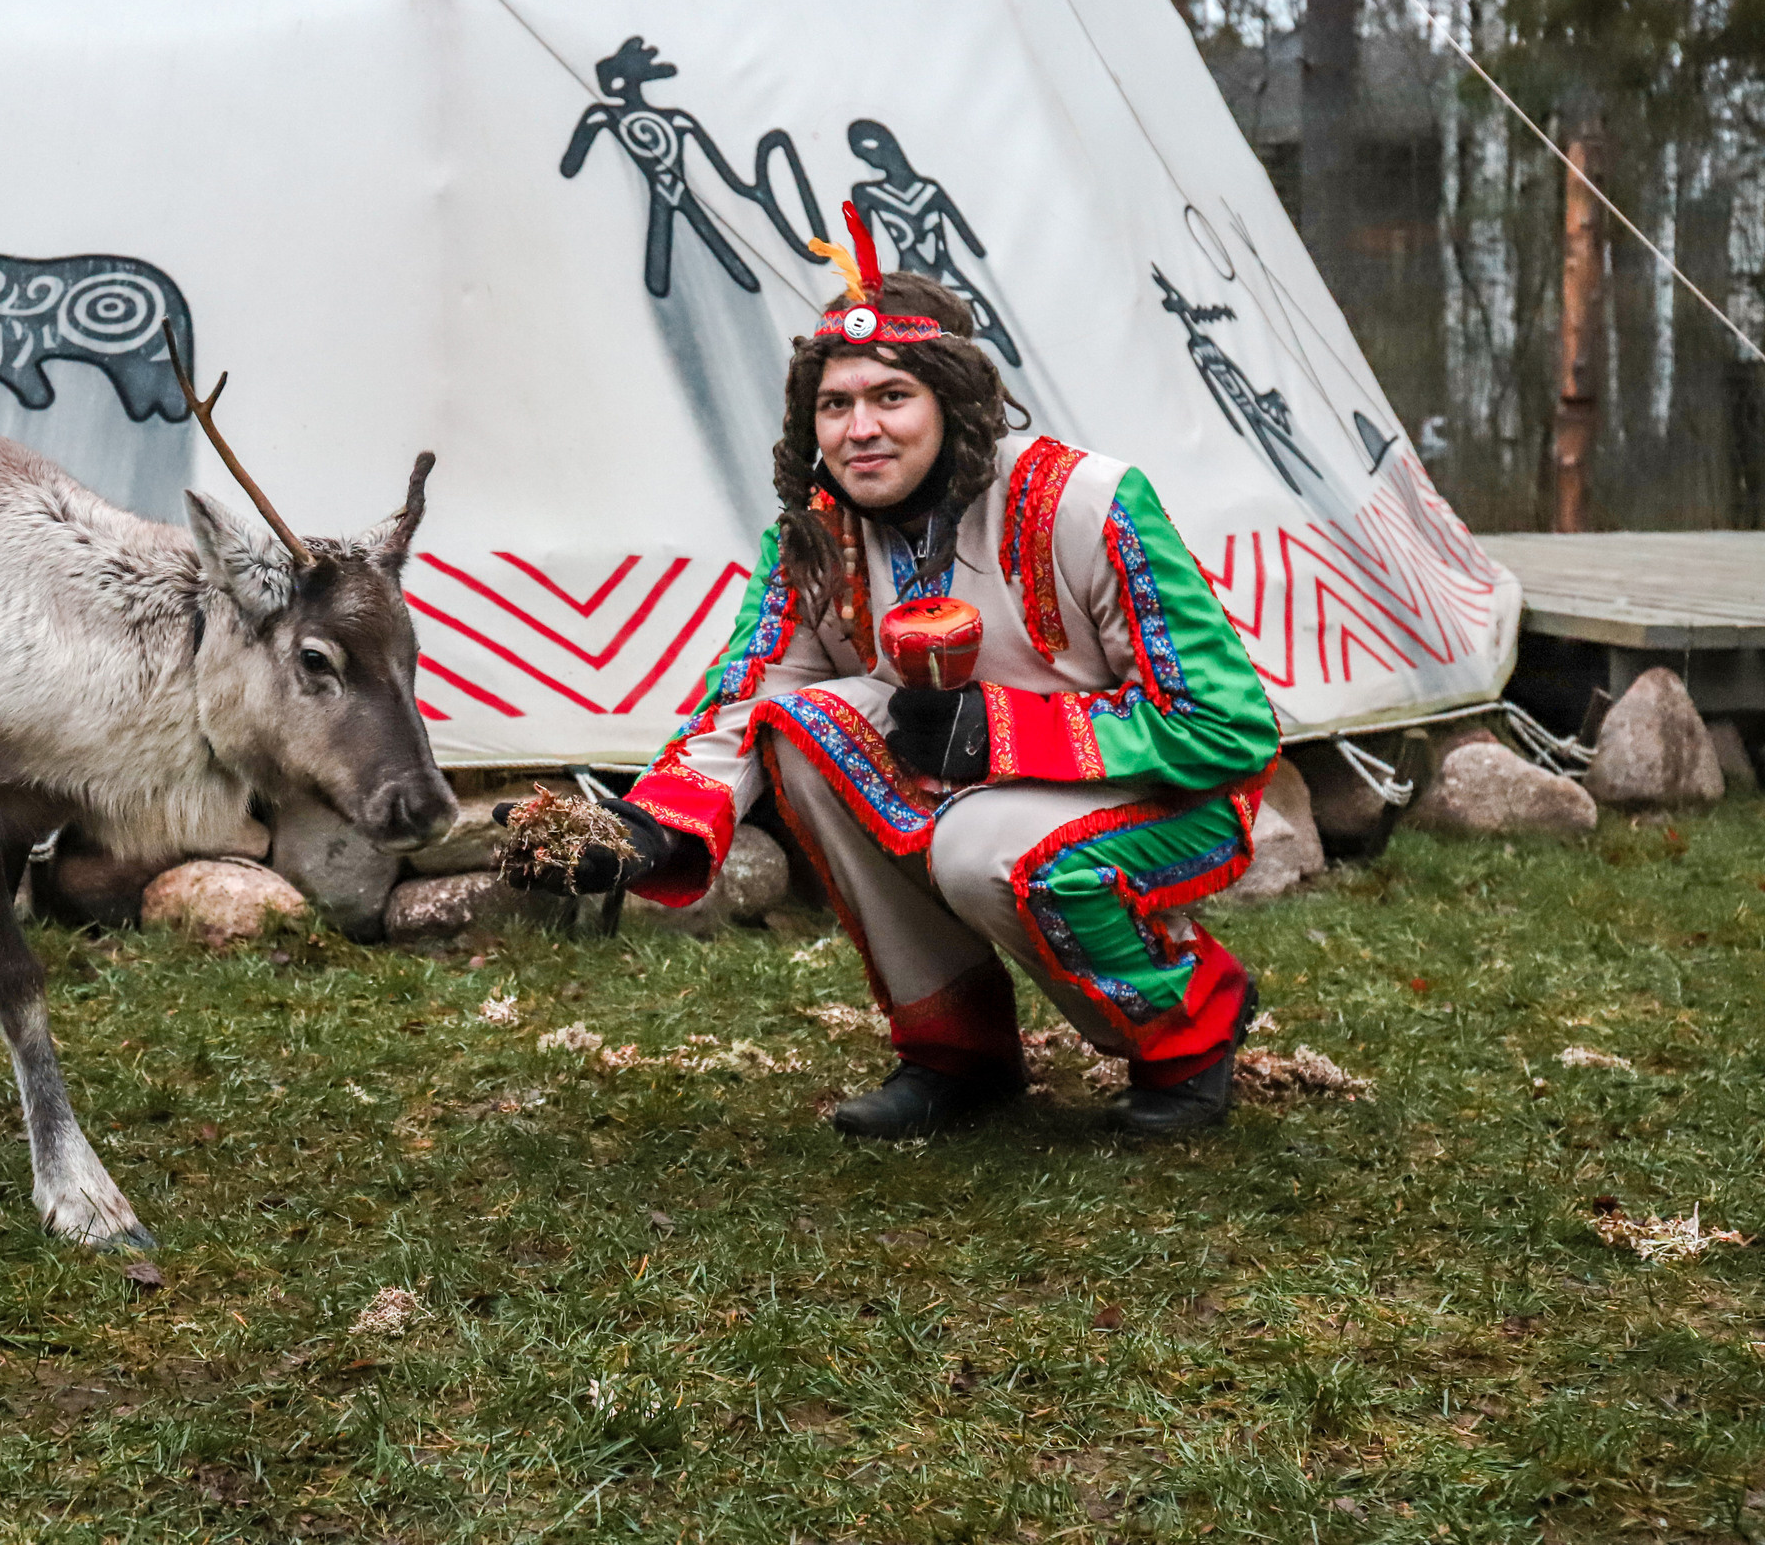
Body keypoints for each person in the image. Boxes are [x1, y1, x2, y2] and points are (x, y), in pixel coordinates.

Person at [499, 219, 1282, 1138]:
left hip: (1167, 794)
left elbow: (1229, 727)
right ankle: (957, 1054)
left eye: (892, 396)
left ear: (952, 400)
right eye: (835, 404)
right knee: (799, 729)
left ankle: (1191, 1034)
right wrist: (652, 834)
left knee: (984, 847)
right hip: (985, 797)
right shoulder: (815, 537)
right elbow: (751, 696)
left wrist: (998, 732)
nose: (860, 428)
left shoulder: (1089, 500)